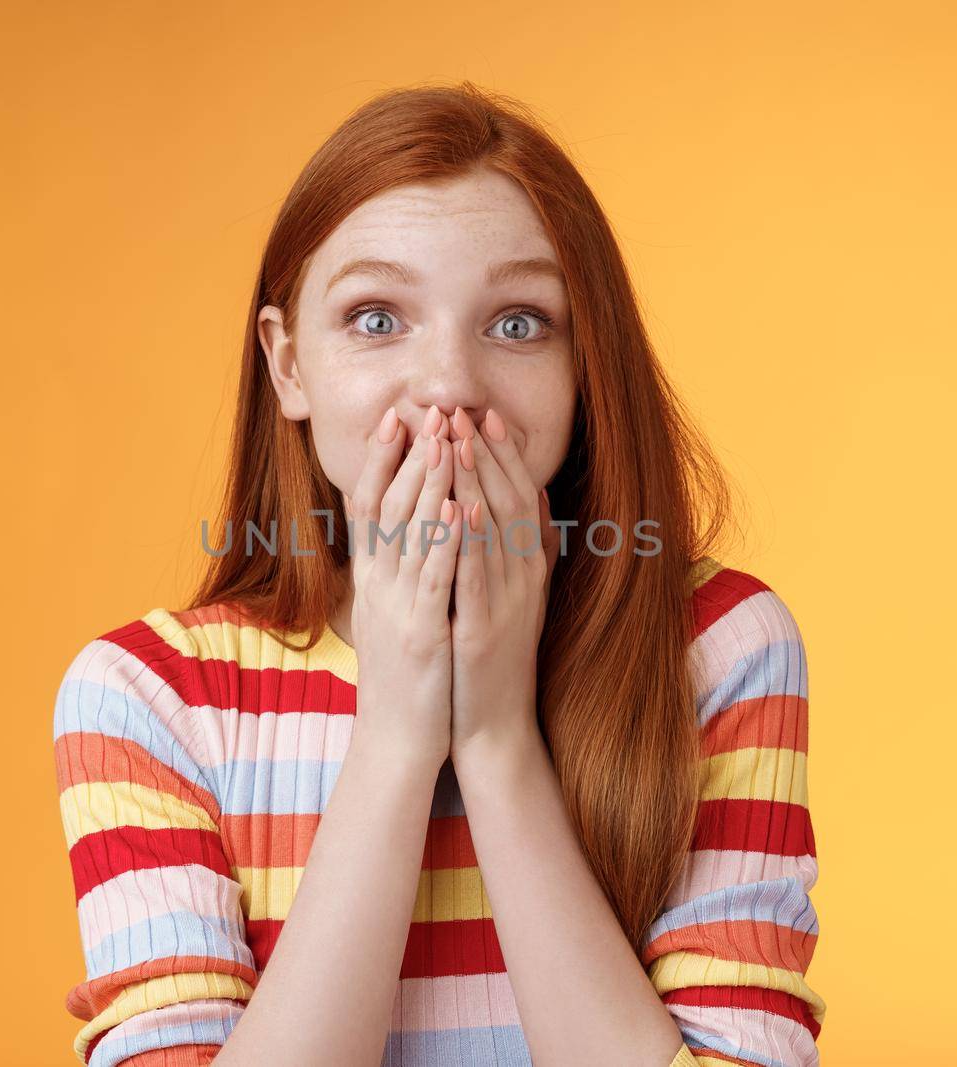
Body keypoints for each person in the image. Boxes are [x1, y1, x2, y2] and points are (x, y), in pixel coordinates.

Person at [51, 82, 824, 1067]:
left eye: (517, 323)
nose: (451, 384)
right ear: (289, 365)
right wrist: (397, 732)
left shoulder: (719, 646)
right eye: (376, 318)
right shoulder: (147, 695)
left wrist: (498, 739)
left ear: (584, 364)